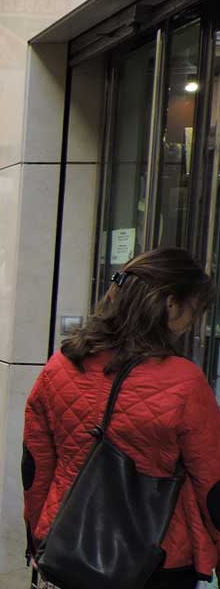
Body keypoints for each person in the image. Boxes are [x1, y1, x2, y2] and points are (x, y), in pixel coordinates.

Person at [24, 247, 220, 589]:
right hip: (155, 558)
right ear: (171, 304)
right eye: (195, 309)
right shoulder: (185, 382)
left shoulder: (60, 367)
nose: (194, 322)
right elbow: (212, 485)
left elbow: (36, 467)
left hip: (67, 544)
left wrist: (39, 535)